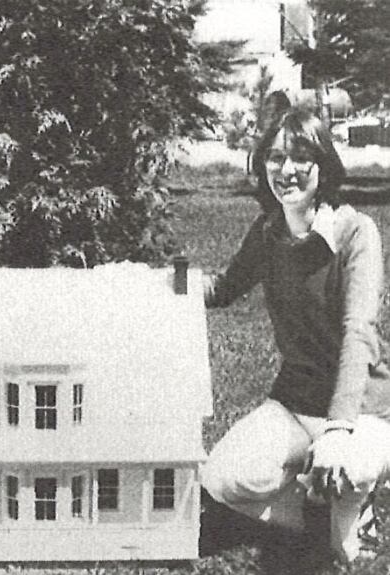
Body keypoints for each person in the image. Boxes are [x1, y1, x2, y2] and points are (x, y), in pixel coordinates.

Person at [200, 106, 390, 562]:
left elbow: (358, 332)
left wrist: (340, 429)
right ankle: (322, 515)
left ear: (323, 166)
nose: (286, 170)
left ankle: (358, 494)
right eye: (275, 157)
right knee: (222, 478)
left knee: (349, 469)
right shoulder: (267, 231)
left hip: (363, 405)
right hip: (295, 401)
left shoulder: (355, 233)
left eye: (301, 157)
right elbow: (224, 289)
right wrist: (166, 282)